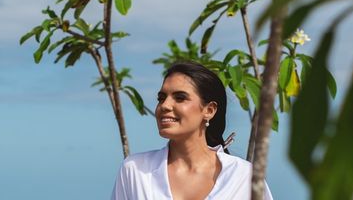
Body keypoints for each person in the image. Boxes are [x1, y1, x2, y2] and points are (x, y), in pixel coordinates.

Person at [111, 61, 273, 199]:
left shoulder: (244, 176)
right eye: (161, 98)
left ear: (209, 110)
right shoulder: (135, 170)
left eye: (180, 98)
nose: (165, 106)